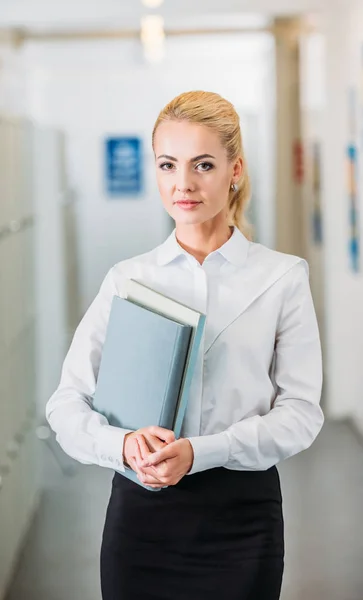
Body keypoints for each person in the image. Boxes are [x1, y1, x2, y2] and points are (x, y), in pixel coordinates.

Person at [45, 90, 324, 600]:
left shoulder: (282, 277)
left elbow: (302, 413)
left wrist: (201, 452)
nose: (183, 184)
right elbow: (65, 405)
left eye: (203, 165)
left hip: (243, 523)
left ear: (234, 170)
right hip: (140, 524)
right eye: (168, 165)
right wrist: (123, 445)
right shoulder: (126, 280)